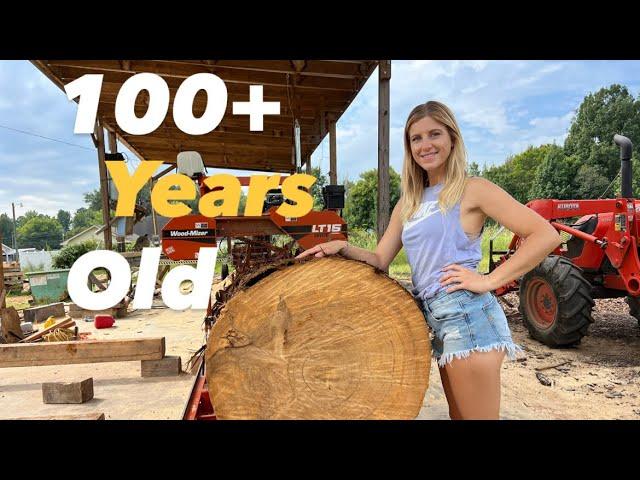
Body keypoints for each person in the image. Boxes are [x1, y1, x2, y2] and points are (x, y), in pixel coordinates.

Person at [296, 101, 562, 420]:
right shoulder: (409, 202)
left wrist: (489, 280)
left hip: (467, 316)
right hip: (436, 320)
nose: (426, 145)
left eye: (434, 134)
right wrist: (342, 248)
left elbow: (545, 235)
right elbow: (380, 259)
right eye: (416, 138)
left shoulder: (472, 189)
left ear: (452, 138)